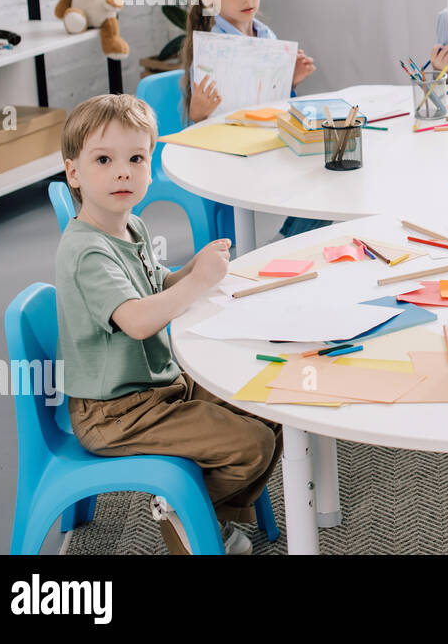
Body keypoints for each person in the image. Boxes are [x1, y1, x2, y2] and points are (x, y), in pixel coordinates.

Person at [56, 94, 282, 554]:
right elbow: (138, 320)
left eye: (136, 158)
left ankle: (203, 516)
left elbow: (157, 284)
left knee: (268, 408)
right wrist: (196, 282)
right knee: (250, 442)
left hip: (159, 386)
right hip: (115, 412)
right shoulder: (86, 252)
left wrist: (191, 270)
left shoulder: (131, 227)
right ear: (74, 173)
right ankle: (185, 519)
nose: (123, 171)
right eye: (104, 159)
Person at [179, 0, 323, 238]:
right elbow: (199, 124)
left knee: (328, 166)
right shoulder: (210, 49)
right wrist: (198, 112)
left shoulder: (265, 34)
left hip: (265, 139)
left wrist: (290, 80)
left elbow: (273, 100)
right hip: (229, 152)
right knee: (319, 175)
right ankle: (289, 241)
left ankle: (289, 238)